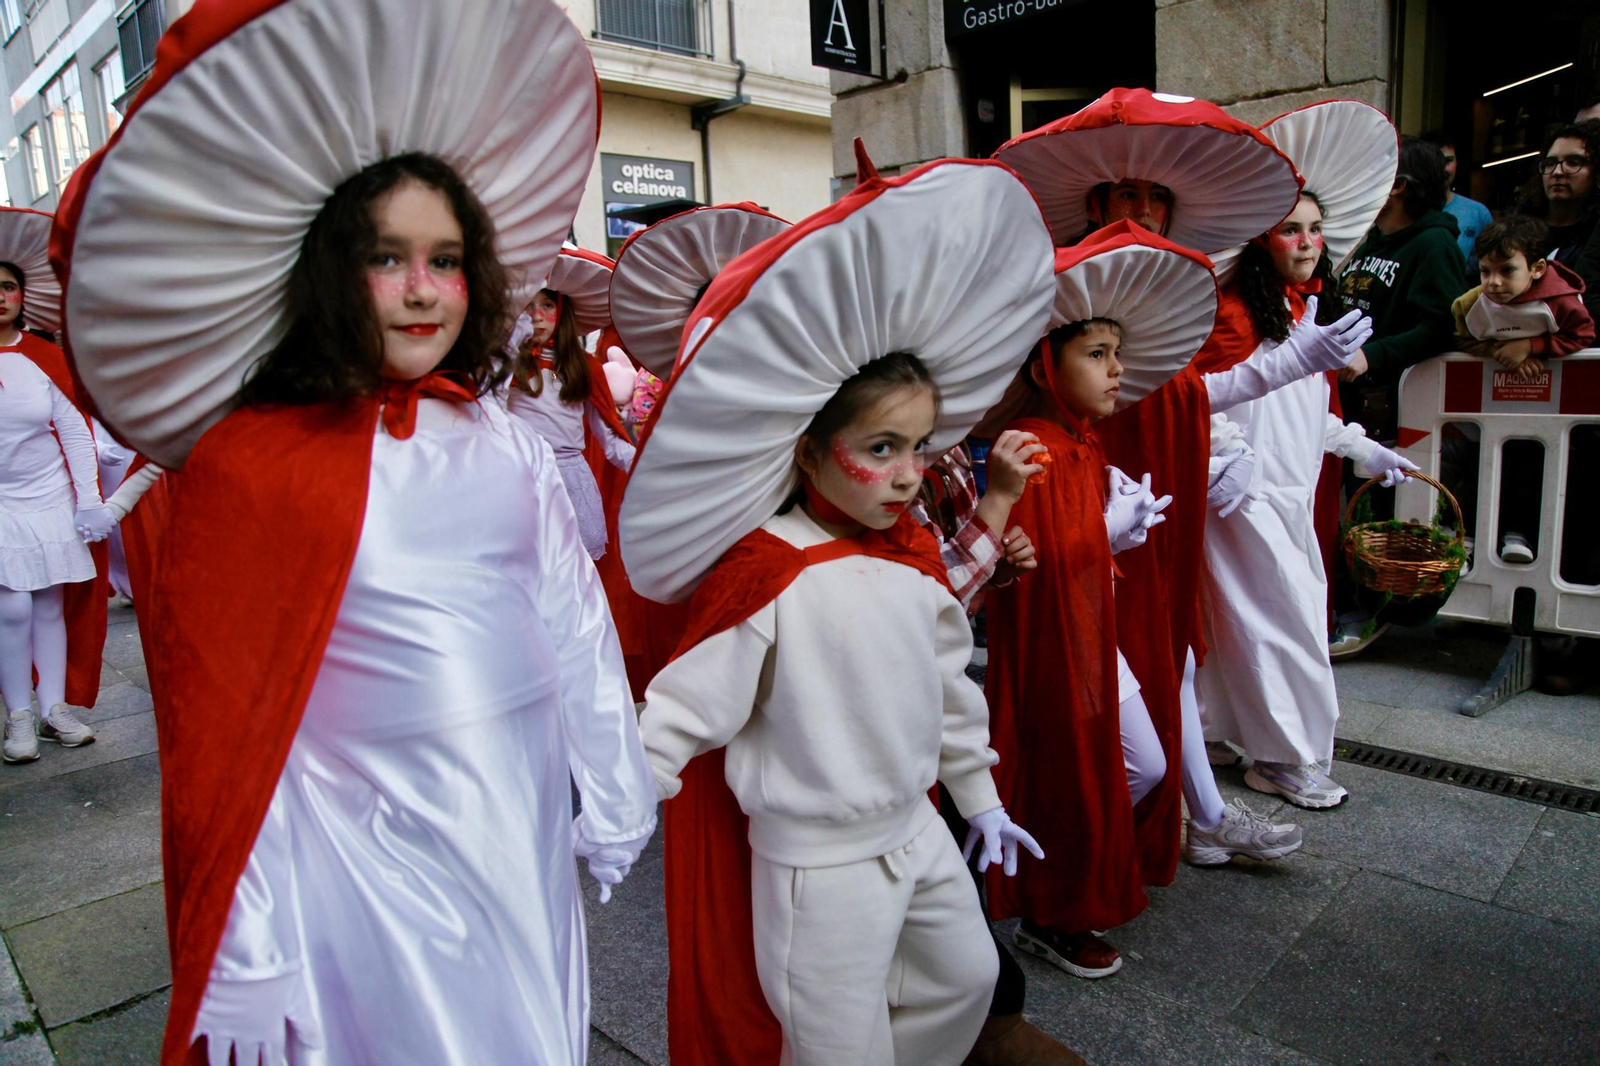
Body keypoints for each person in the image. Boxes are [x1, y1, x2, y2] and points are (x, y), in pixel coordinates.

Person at [53, 3, 657, 1063]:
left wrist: (613, 784)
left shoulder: (504, 438)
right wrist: (244, 944)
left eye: (447, 257)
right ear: (333, 271)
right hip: (360, 850)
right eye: (388, 258)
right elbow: (229, 738)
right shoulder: (253, 464)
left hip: (513, 824)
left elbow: (568, 617)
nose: (424, 289)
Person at [620, 144, 1058, 1066]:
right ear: (811, 453)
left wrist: (977, 800)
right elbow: (689, 704)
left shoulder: (913, 560)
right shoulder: (770, 569)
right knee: (832, 1039)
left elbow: (948, 693)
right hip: (819, 866)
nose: (909, 474)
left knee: (966, 979)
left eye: (921, 446)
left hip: (916, 828)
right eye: (881, 447)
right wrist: (620, 800)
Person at [994, 86, 1306, 889]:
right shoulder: (1054, 299)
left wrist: (1293, 368)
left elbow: (1187, 393)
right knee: (1106, 672)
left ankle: (1184, 819)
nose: (1141, 209)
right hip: (1072, 507)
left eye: (1154, 198)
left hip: (1149, 504)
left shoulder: (1162, 305)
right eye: (1124, 194)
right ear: (1096, 204)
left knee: (1169, 654)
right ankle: (1116, 839)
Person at [1198, 101, 1415, 808]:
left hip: (1290, 493)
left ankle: (1222, 736)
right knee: (1276, 623)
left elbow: (1309, 412)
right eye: (1291, 228)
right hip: (1242, 494)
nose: (1309, 241)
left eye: (1317, 229)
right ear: (1261, 238)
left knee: (1260, 621)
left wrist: (1361, 448)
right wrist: (1225, 462)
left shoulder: (1303, 313)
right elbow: (1205, 397)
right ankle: (1281, 757)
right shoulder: (1230, 314)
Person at [0, 205, 115, 764]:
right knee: (12, 608)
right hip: (1, 503)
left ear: (22, 297)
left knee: (48, 604)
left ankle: (52, 710)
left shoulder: (46, 357)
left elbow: (75, 431)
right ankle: (17, 714)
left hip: (49, 497)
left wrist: (90, 499)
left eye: (7, 287)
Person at [1448, 215, 1594, 565]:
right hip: (1487, 406)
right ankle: (1467, 534)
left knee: (1527, 464)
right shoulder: (1470, 305)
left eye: (1507, 271)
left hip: (1541, 410)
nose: (1494, 283)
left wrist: (1533, 346)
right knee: (1476, 462)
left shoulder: (1561, 302)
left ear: (1537, 268)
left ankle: (1517, 532)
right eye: (1485, 271)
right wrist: (1500, 356)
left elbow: (1583, 336)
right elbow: (1461, 337)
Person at [506, 247, 636, 560]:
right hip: (519, 477)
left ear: (561, 310)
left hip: (571, 480)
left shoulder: (584, 366)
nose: (537, 316)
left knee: (575, 570)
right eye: (528, 305)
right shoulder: (501, 366)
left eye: (547, 304)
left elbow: (609, 438)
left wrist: (649, 466)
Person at [1422, 129, 1494, 283]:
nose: (1444, 169)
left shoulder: (1478, 213)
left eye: (1448, 161)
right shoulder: (1408, 212)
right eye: (1437, 162)